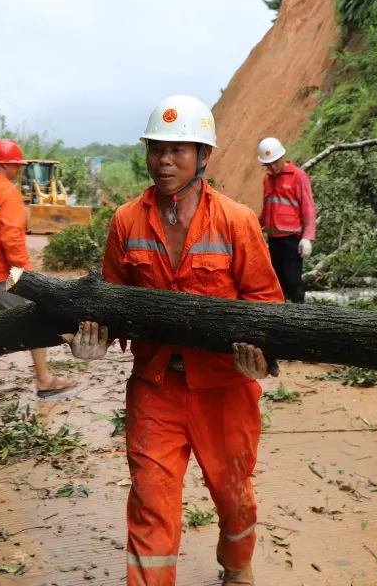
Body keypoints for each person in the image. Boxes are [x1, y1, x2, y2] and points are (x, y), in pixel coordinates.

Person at [63, 96, 284, 586]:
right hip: (156, 386)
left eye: (178, 149)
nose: (164, 160)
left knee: (233, 493)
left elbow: (268, 305)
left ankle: (238, 566)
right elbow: (110, 304)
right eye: (156, 149)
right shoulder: (126, 222)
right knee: (150, 499)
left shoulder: (237, 221)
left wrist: (260, 359)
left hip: (224, 388)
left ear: (203, 155)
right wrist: (90, 341)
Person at [0, 139, 73, 404]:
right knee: (37, 320)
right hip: (2, 277)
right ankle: (44, 379)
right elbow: (12, 241)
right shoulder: (7, 193)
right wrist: (28, 279)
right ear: (6, 165)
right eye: (16, 165)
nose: (18, 170)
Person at [257, 137, 316, 303]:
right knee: (276, 280)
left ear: (282, 157)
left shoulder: (298, 176)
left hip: (291, 239)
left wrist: (307, 238)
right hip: (274, 239)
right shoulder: (267, 179)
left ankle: (299, 314)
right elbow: (266, 210)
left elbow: (308, 208)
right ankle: (280, 317)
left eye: (275, 162)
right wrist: (253, 226)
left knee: (292, 279)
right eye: (268, 164)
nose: (272, 167)